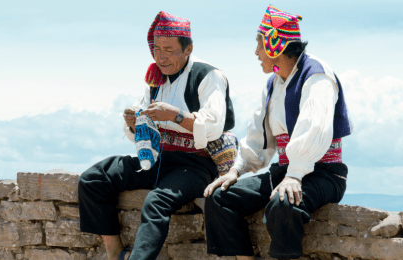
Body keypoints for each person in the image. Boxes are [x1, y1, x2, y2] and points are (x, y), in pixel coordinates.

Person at [77, 11, 237, 260]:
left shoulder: (208, 76)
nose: (161, 56)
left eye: (169, 49)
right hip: (159, 159)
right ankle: (115, 253)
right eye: (157, 48)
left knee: (156, 200)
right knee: (94, 178)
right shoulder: (154, 79)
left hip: (197, 166)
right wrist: (134, 123)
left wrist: (174, 115)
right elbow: (145, 132)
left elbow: (214, 126)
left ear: (188, 49)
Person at [203, 5, 353, 260]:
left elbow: (315, 129)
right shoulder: (273, 83)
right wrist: (235, 170)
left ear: (275, 45)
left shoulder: (317, 75)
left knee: (283, 205)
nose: (256, 52)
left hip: (324, 174)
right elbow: (258, 139)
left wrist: (295, 175)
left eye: (259, 44)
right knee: (219, 198)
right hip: (286, 172)